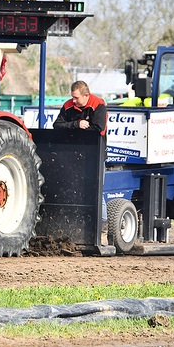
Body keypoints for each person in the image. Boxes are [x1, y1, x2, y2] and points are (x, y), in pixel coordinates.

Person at [53, 80, 108, 240]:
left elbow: (99, 128)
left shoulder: (98, 105)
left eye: (76, 98)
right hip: (73, 155)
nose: (74, 101)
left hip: (95, 154)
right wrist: (76, 124)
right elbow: (57, 125)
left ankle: (103, 232)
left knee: (98, 191)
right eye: (72, 97)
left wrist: (75, 128)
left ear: (86, 95)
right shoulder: (68, 106)